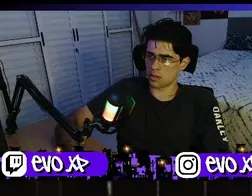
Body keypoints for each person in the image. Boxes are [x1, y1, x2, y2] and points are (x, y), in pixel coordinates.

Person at [54, 18, 228, 156]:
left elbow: (219, 162)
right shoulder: (126, 90)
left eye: (165, 59)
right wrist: (70, 145)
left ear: (183, 63)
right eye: (150, 56)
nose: (154, 66)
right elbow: (74, 119)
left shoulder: (202, 101)